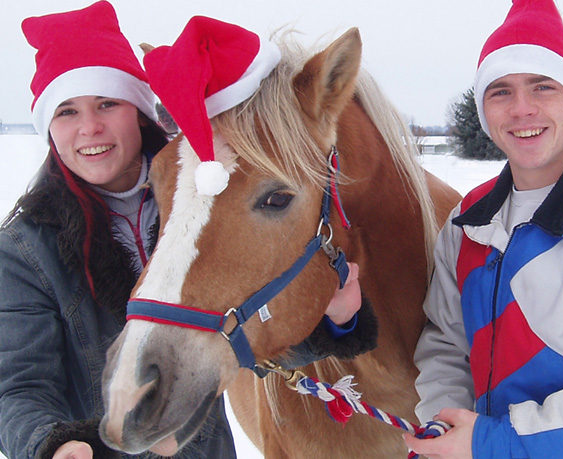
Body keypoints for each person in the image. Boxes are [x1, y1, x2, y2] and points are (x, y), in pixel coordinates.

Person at [0, 2, 366, 458]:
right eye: (66, 112)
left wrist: (336, 321)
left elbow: (245, 340)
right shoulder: (24, 251)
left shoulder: (203, 201)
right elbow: (18, 385)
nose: (89, 127)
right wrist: (48, 444)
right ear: (48, 128)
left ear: (139, 110)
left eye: (107, 103)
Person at [403, 1, 563, 458]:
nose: (521, 109)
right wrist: (443, 426)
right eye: (500, 92)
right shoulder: (470, 219)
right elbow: (445, 342)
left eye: (543, 86)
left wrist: (490, 444)